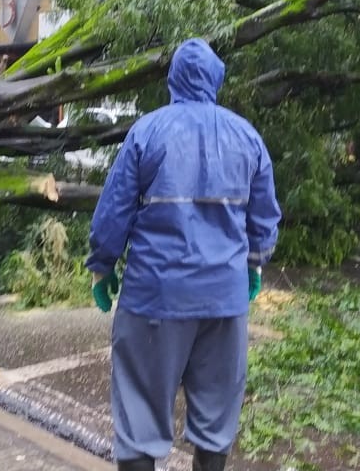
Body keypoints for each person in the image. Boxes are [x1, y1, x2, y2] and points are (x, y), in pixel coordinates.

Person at [87, 38, 282, 471]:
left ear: (173, 80)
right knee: (216, 415)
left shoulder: (148, 131)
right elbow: (264, 216)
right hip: (223, 302)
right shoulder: (246, 136)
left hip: (155, 297)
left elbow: (113, 211)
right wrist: (253, 264)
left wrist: (102, 266)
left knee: (139, 413)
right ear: (216, 80)